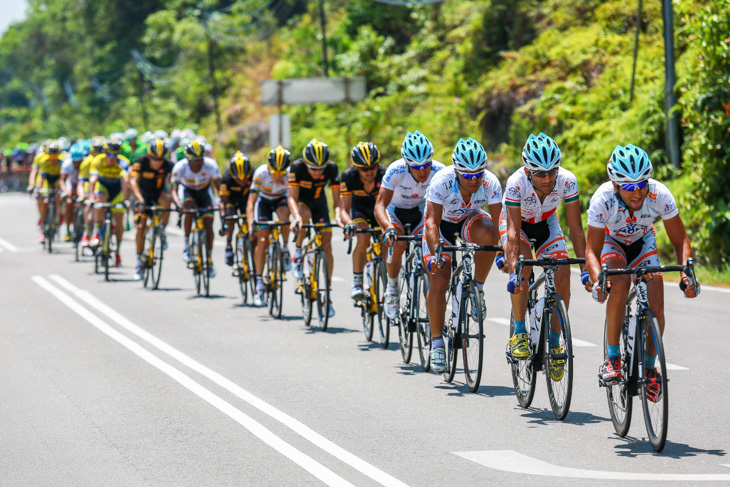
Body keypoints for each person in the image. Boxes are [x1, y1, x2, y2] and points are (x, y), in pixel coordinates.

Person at [586, 144, 699, 400]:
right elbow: (591, 251)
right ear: (615, 186)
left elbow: (680, 240)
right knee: (621, 281)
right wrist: (598, 280)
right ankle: (613, 358)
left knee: (657, 305)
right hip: (611, 244)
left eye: (641, 185)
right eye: (628, 187)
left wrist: (686, 275)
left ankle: (649, 368)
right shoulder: (602, 199)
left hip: (643, 242)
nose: (637, 192)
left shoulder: (659, 194)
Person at [502, 133, 591, 378]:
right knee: (524, 270)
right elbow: (511, 233)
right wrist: (513, 269)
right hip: (517, 226)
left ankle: (555, 342)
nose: (548, 178)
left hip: (546, 224)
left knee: (563, 273)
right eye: (540, 173)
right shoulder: (515, 182)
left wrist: (584, 269)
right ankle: (519, 332)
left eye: (552, 171)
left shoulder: (567, 180)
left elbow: (575, 228)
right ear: (527, 170)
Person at [423, 137, 503, 372]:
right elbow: (430, 223)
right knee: (439, 279)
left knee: (489, 233)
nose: (474, 180)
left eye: (478, 174)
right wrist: (436, 253)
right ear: (456, 171)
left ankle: (477, 287)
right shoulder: (441, 181)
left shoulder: (491, 182)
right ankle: (437, 342)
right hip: (442, 227)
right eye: (467, 176)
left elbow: (501, 225)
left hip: (469, 220)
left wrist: (502, 253)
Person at [374, 130, 445, 319]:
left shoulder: (440, 171)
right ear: (406, 163)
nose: (422, 171)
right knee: (397, 243)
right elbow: (380, 205)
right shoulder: (395, 170)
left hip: (421, 211)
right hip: (395, 210)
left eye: (425, 165)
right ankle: (392, 286)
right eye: (415, 166)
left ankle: (431, 306)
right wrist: (388, 227)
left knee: (429, 250)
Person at [288, 139, 342, 317]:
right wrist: (295, 218)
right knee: (303, 217)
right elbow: (291, 198)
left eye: (321, 169)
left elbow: (336, 200)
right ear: (305, 163)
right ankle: (297, 253)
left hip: (319, 202)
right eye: (313, 169)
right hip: (302, 202)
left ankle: (327, 292)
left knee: (327, 243)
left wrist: (339, 216)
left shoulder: (332, 168)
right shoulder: (297, 167)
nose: (318, 173)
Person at [340, 142, 386, 300]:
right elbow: (344, 210)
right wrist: (348, 223)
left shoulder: (384, 173)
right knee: (363, 237)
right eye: (364, 169)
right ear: (356, 168)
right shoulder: (348, 176)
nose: (369, 172)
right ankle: (357, 283)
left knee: (385, 241)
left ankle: (388, 285)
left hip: (379, 211)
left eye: (373, 167)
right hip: (359, 211)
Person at [246, 145, 293, 305]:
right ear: (268, 167)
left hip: (280, 200)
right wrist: (251, 224)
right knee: (263, 240)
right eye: (275, 172)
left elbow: (294, 199)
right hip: (264, 202)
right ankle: (259, 282)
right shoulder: (260, 174)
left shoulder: (290, 174)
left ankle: (285, 248)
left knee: (284, 215)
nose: (278, 176)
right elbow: (251, 203)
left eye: (282, 173)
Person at [171, 140, 221, 278]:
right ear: (187, 158)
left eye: (200, 160)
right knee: (188, 208)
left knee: (209, 223)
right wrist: (178, 203)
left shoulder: (210, 165)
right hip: (188, 192)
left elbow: (219, 187)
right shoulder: (180, 166)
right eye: (193, 160)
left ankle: (209, 259)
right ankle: (187, 245)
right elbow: (174, 190)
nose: (197, 163)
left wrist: (222, 200)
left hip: (204, 192)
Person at [129, 139, 174, 281]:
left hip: (158, 194)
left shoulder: (168, 165)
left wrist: (174, 196)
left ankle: (162, 229)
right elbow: (132, 181)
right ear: (149, 156)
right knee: (141, 227)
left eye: (160, 159)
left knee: (167, 201)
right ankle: (138, 262)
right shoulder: (140, 161)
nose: (157, 162)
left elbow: (173, 184)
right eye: (155, 158)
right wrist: (139, 199)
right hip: (142, 195)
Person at [89, 138, 130, 267]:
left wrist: (125, 200)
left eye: (115, 154)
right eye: (109, 154)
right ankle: (96, 232)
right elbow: (93, 180)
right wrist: (91, 197)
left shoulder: (123, 162)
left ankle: (117, 250)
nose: (112, 157)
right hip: (103, 187)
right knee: (99, 201)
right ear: (104, 152)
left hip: (117, 190)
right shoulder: (97, 160)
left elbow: (125, 182)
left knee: (119, 217)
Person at [218, 152, 254, 297]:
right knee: (230, 217)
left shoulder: (254, 174)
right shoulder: (226, 178)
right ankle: (228, 245)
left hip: (247, 201)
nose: (242, 182)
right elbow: (222, 202)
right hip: (231, 201)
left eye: (245, 179)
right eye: (238, 180)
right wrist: (223, 220)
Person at [35, 141, 65, 244]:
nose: (53, 158)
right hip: (47, 179)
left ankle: (57, 216)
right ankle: (43, 227)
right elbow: (41, 178)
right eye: (51, 156)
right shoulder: (44, 161)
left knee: (58, 196)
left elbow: (62, 178)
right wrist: (38, 189)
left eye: (55, 156)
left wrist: (63, 189)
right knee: (46, 201)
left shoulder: (62, 162)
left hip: (57, 179)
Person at [59, 145, 85, 242]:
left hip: (83, 184)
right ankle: (68, 229)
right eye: (75, 161)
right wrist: (65, 192)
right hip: (71, 184)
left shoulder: (86, 163)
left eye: (79, 162)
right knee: (69, 202)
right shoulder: (67, 164)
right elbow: (62, 180)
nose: (77, 164)